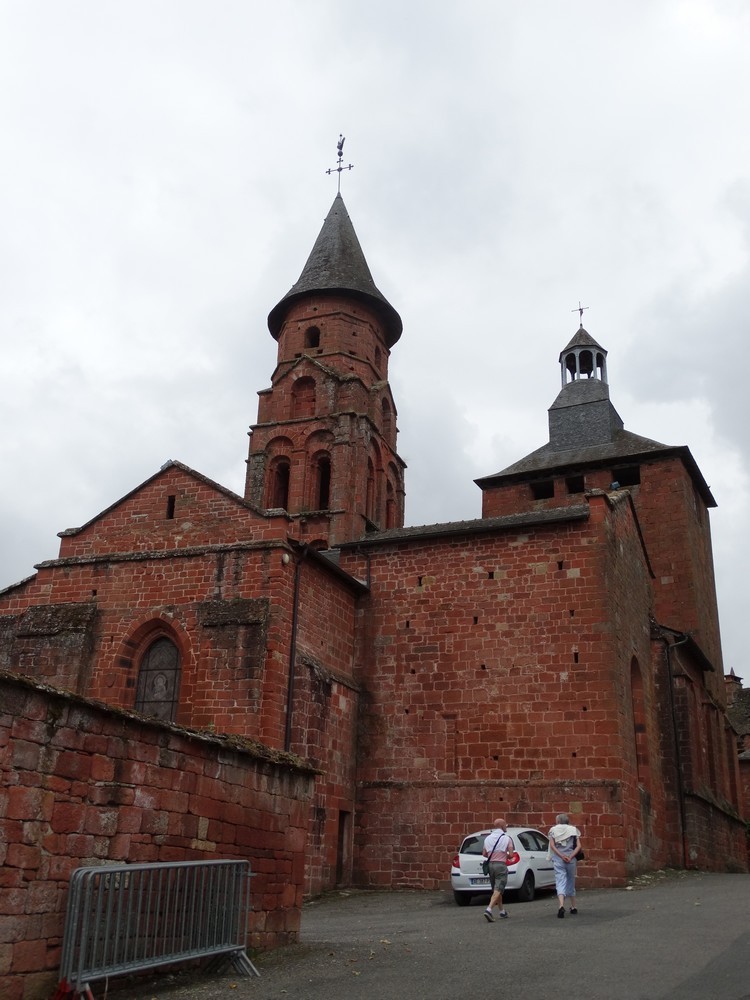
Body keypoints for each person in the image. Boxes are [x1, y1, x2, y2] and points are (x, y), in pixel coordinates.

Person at [548, 812, 581, 918]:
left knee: (560, 881)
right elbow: (578, 846)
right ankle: (573, 906)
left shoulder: (553, 830)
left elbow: (552, 846)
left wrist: (561, 856)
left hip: (559, 859)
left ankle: (561, 905)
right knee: (571, 880)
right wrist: (570, 856)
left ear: (558, 821)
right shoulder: (573, 830)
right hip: (571, 858)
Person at [481, 817, 514, 921]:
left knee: (496, 889)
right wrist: (505, 856)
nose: (506, 827)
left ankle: (502, 912)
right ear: (502, 826)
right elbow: (511, 855)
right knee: (498, 888)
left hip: (490, 865)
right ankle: (489, 910)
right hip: (501, 865)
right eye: (505, 825)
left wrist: (493, 856)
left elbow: (484, 854)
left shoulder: (487, 838)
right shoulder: (506, 838)